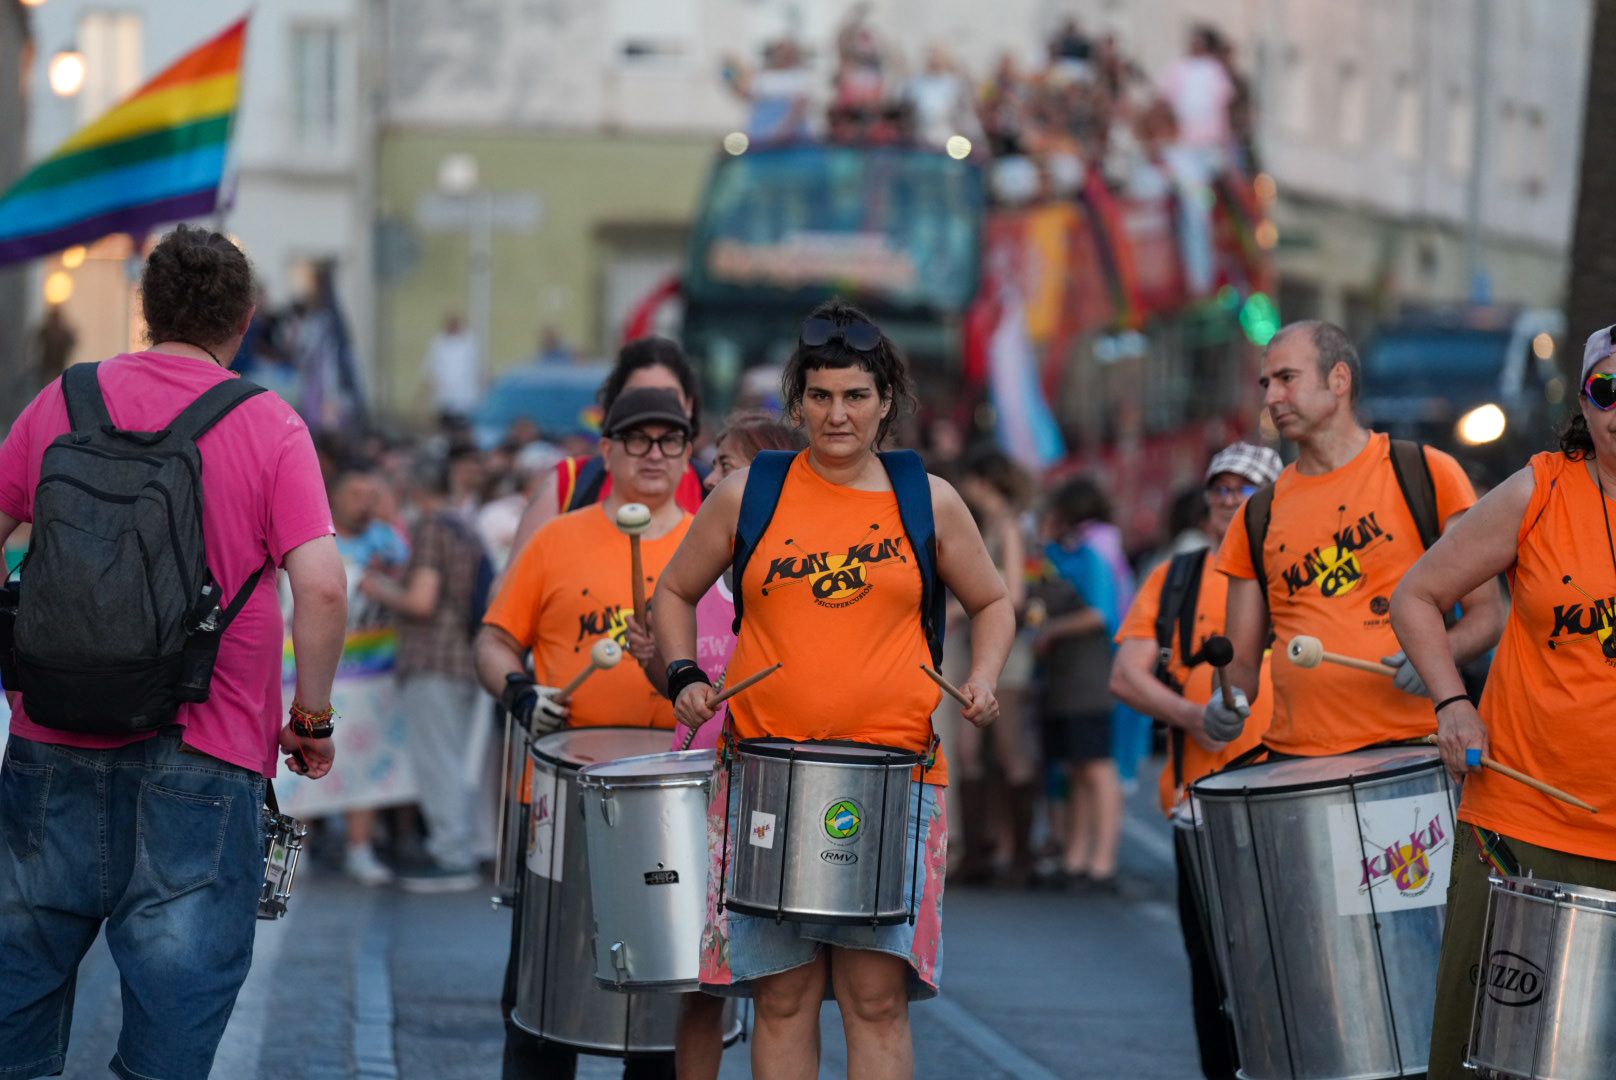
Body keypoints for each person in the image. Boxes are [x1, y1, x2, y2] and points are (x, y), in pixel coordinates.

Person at [0, 225, 346, 1080]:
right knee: (170, 1029)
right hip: (206, 751)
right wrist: (311, 717)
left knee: (19, 998)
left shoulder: (65, 400)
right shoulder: (269, 424)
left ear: (146, 311)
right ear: (247, 320)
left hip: (51, 741)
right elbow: (326, 588)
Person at [654, 300, 1015, 1079]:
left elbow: (991, 601)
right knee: (781, 1001)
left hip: (896, 777)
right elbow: (674, 591)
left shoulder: (929, 499)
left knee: (874, 1002)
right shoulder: (751, 492)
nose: (836, 414)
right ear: (798, 402)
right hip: (766, 777)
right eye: (819, 396)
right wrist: (684, 675)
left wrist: (983, 677)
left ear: (886, 401)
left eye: (855, 396)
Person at [1392, 326, 1616, 1079]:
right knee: (1480, 1054)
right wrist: (1453, 704)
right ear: (1583, 401)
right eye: (1604, 390)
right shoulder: (1541, 486)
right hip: (1522, 821)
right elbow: (1418, 595)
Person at [477, 386, 695, 1080]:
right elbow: (492, 641)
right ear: (607, 451)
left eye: (670, 440)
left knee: (663, 1004)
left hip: (670, 794)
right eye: (638, 439)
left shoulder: (708, 544)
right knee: (544, 993)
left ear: (689, 453)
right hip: (560, 791)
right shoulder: (556, 539)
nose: (654, 454)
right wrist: (520, 692)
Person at [1209, 321, 1505, 756]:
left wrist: (1441, 655)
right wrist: (1225, 700)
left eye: (1287, 379)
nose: (1272, 398)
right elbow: (1242, 665)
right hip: (1299, 762)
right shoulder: (1256, 514)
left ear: (1339, 379)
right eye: (1266, 384)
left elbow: (1488, 616)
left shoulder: (1426, 472)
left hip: (1415, 750)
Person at [622, 411, 805, 1080]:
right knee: (705, 984)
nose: (709, 475)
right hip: (699, 800)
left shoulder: (792, 576)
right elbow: (673, 683)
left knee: (786, 988)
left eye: (725, 464)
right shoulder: (696, 576)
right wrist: (660, 663)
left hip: (772, 796)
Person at [1110, 442, 1282, 1080]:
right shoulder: (1176, 576)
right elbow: (1126, 676)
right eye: (1220, 488)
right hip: (1200, 805)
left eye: (1245, 491)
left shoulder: (1293, 571)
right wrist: (1192, 716)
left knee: (1288, 964)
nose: (1228, 501)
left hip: (1286, 801)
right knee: (1214, 971)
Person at [360, 453, 493, 891]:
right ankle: (458, 847)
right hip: (463, 656)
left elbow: (422, 600)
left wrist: (375, 586)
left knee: (438, 761)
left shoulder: (431, 527)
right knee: (451, 758)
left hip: (432, 657)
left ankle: (452, 855)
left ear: (415, 490)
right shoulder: (464, 527)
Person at [509, 337, 707, 557]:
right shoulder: (570, 483)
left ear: (688, 406)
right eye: (638, 396)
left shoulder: (713, 492)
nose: (653, 405)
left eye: (667, 396)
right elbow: (513, 582)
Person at [1033, 475, 1134, 892]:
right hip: (1065, 678)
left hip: (1091, 676)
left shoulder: (1094, 552)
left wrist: (1053, 630)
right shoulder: (1061, 553)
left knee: (1096, 766)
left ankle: (1101, 860)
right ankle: (1076, 855)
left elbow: (1100, 613)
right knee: (1074, 767)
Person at [324, 463, 419, 888]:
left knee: (362, 763)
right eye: (355, 494)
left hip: (370, 673)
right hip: (309, 669)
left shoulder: (387, 540)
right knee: (299, 763)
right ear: (334, 498)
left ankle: (359, 848)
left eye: (370, 495)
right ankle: (295, 849)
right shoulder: (316, 535)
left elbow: (408, 584)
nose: (364, 503)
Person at [952, 449, 1038, 886]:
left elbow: (1015, 597)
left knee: (1008, 749)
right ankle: (978, 850)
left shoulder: (1008, 526)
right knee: (969, 752)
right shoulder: (984, 526)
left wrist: (963, 609)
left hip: (1006, 650)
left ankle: (1019, 853)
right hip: (974, 646)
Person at [424, 313, 481, 429]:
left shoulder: (469, 342)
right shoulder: (438, 343)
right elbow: (431, 369)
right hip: (445, 398)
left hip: (467, 398)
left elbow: (478, 367)